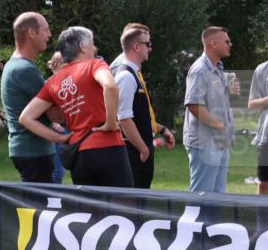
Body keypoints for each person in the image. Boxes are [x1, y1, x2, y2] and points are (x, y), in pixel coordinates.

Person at [19, 26, 132, 188]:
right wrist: (111, 123)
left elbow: (26, 117)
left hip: (78, 153)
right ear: (82, 46)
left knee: (88, 210)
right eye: (92, 43)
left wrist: (59, 138)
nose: (95, 48)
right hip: (108, 147)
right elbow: (110, 86)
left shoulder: (53, 81)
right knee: (123, 208)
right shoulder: (94, 64)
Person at [109, 23, 176, 189]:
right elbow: (123, 118)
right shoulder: (126, 75)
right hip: (133, 152)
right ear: (136, 47)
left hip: (139, 150)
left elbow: (140, 114)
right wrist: (143, 148)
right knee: (132, 200)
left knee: (140, 195)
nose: (150, 48)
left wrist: (159, 130)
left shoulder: (134, 73)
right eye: (148, 44)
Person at [2, 12, 57, 182]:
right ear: (32, 33)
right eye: (45, 30)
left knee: (33, 206)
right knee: (37, 207)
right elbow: (54, 113)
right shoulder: (25, 70)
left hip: (28, 151)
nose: (49, 35)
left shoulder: (16, 65)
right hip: (34, 152)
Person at [184, 26, 238, 193]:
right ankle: (190, 221)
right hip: (205, 143)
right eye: (227, 41)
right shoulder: (200, 70)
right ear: (213, 44)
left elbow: (215, 102)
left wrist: (230, 91)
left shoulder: (218, 69)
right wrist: (218, 124)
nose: (230, 44)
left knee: (217, 196)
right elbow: (193, 105)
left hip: (219, 142)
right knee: (202, 197)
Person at [46, 51, 67, 184]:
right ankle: (52, 201)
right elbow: (43, 108)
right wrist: (54, 124)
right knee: (57, 171)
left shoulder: (68, 83)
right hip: (56, 131)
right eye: (64, 63)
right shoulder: (49, 84)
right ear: (56, 64)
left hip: (69, 129)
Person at [248, 59, 268, 195]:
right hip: (267, 137)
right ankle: (262, 217)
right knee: (264, 183)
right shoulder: (262, 69)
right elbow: (252, 104)